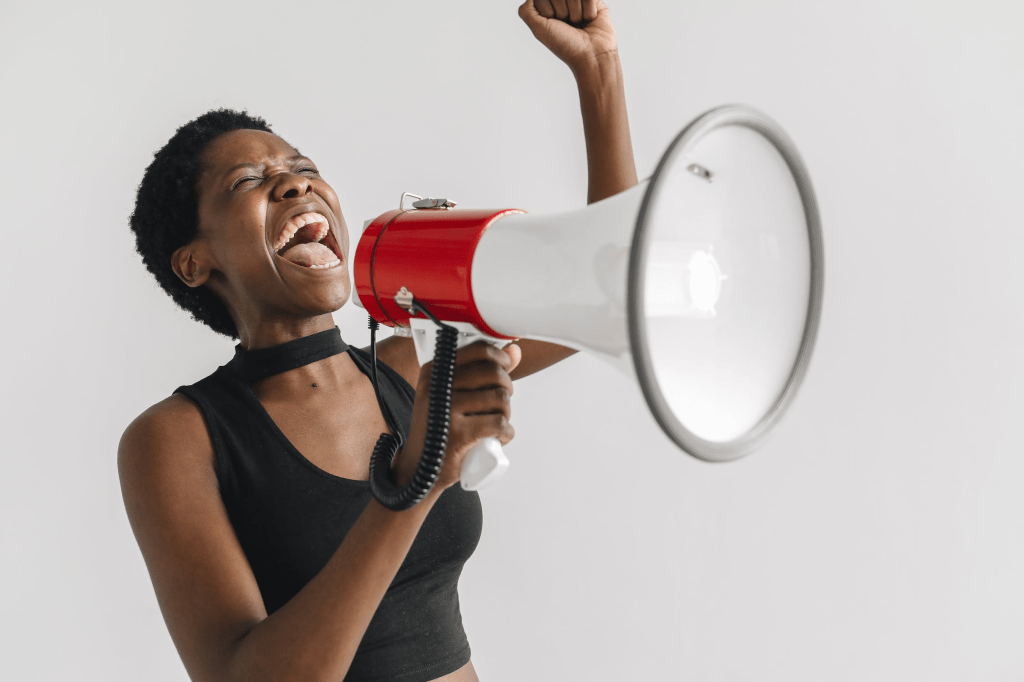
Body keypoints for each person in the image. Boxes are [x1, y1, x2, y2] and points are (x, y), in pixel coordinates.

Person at [118, 2, 637, 680]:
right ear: (195, 260)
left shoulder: (414, 360)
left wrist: (598, 71)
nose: (294, 181)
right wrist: (417, 475)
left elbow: (607, 292)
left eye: (300, 165)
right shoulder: (179, 438)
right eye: (249, 181)